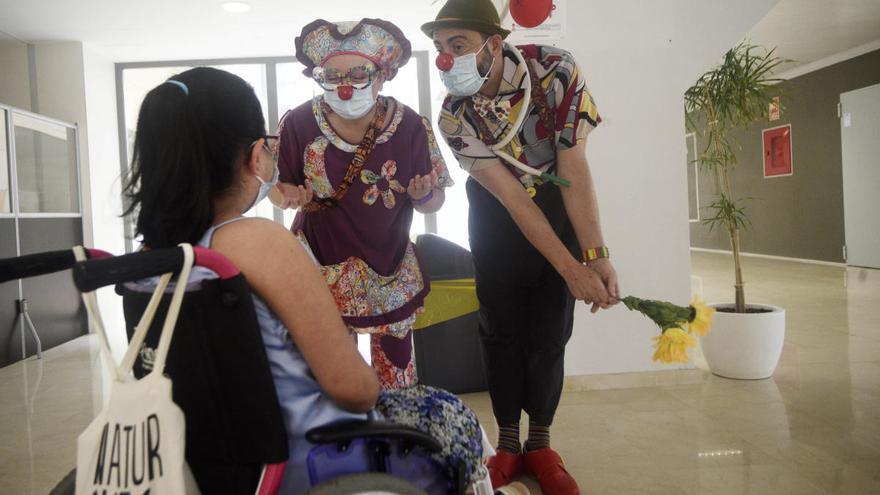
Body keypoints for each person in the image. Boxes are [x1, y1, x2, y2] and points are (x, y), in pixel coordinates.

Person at [123, 67, 481, 494]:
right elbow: (354, 390)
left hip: (202, 459)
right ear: (256, 155)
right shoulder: (258, 243)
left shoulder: (146, 263)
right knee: (452, 416)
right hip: (308, 459)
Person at [422, 1, 620, 493]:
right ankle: (508, 443)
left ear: (494, 42)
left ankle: (542, 443)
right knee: (500, 330)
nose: (446, 59)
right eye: (440, 49)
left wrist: (593, 257)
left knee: (550, 331)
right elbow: (511, 196)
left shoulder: (554, 70)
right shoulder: (453, 116)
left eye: (458, 45)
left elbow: (573, 167)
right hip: (497, 218)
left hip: (559, 207)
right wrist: (570, 267)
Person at [273, 18, 453, 390]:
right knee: (332, 380)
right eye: (331, 76)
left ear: (382, 75)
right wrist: (289, 196)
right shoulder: (298, 123)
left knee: (397, 379)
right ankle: (340, 445)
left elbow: (435, 202)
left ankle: (396, 443)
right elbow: (278, 186)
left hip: (390, 268)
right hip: (320, 267)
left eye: (356, 74)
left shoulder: (411, 127)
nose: (343, 87)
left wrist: (424, 196)